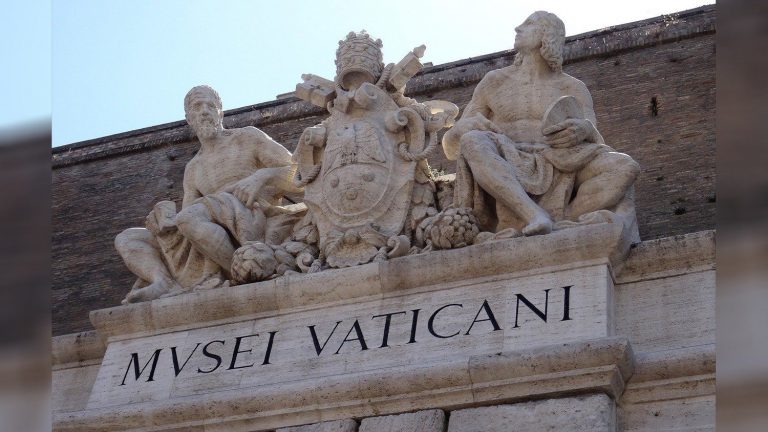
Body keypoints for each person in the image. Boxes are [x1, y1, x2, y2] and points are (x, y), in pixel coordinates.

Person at [442, 11, 640, 237]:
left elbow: (595, 138)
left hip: (560, 161)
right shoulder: (494, 82)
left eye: (528, 24)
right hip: (507, 158)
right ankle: (533, 214)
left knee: (625, 166)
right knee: (472, 141)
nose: (518, 28)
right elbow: (450, 148)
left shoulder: (572, 87)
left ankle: (561, 221)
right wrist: (459, 129)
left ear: (548, 35)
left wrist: (584, 129)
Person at [115, 85, 302, 303]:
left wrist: (262, 176)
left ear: (220, 112)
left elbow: (300, 175)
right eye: (197, 106)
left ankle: (243, 270)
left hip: (251, 218)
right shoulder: (193, 168)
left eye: (210, 106)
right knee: (128, 238)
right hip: (208, 228)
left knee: (189, 218)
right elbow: (187, 218)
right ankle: (164, 281)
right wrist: (162, 222)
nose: (204, 111)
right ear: (189, 118)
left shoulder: (247, 138)